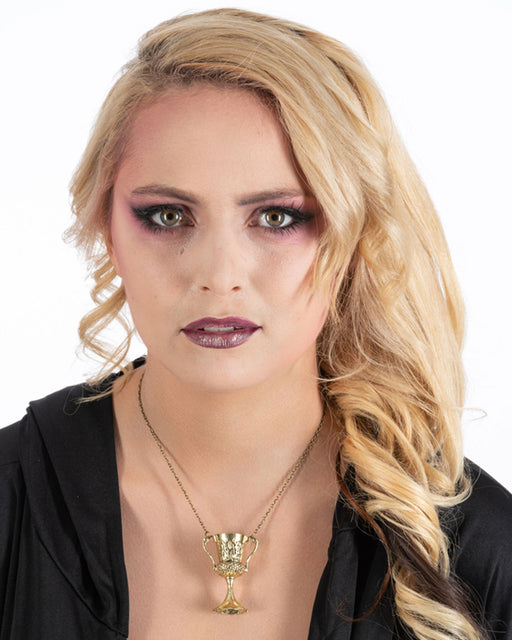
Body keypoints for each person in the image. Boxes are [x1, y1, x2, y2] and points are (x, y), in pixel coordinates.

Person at [0, 8, 510, 640]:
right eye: (167, 216)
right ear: (107, 229)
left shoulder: (477, 552)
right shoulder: (11, 502)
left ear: (354, 238)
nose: (219, 276)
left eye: (276, 217)